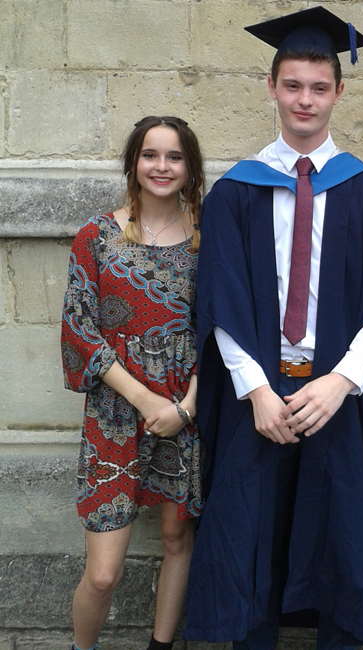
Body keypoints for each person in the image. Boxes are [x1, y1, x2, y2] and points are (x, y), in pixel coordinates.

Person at [184, 7, 363, 649]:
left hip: (336, 393)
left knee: (340, 537)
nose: (304, 99)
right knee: (249, 535)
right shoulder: (236, 191)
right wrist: (254, 390)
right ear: (272, 88)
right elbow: (219, 301)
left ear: (339, 91)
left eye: (318, 86)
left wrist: (342, 382)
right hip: (259, 394)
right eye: (292, 85)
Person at [61, 115, 205, 650]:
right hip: (116, 416)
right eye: (150, 155)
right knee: (102, 573)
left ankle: (160, 646)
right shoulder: (97, 237)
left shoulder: (206, 241)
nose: (162, 167)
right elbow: (80, 331)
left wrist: (186, 408)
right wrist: (147, 400)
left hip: (184, 412)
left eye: (174, 156)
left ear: (190, 167)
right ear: (133, 163)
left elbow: (221, 335)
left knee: (175, 538)